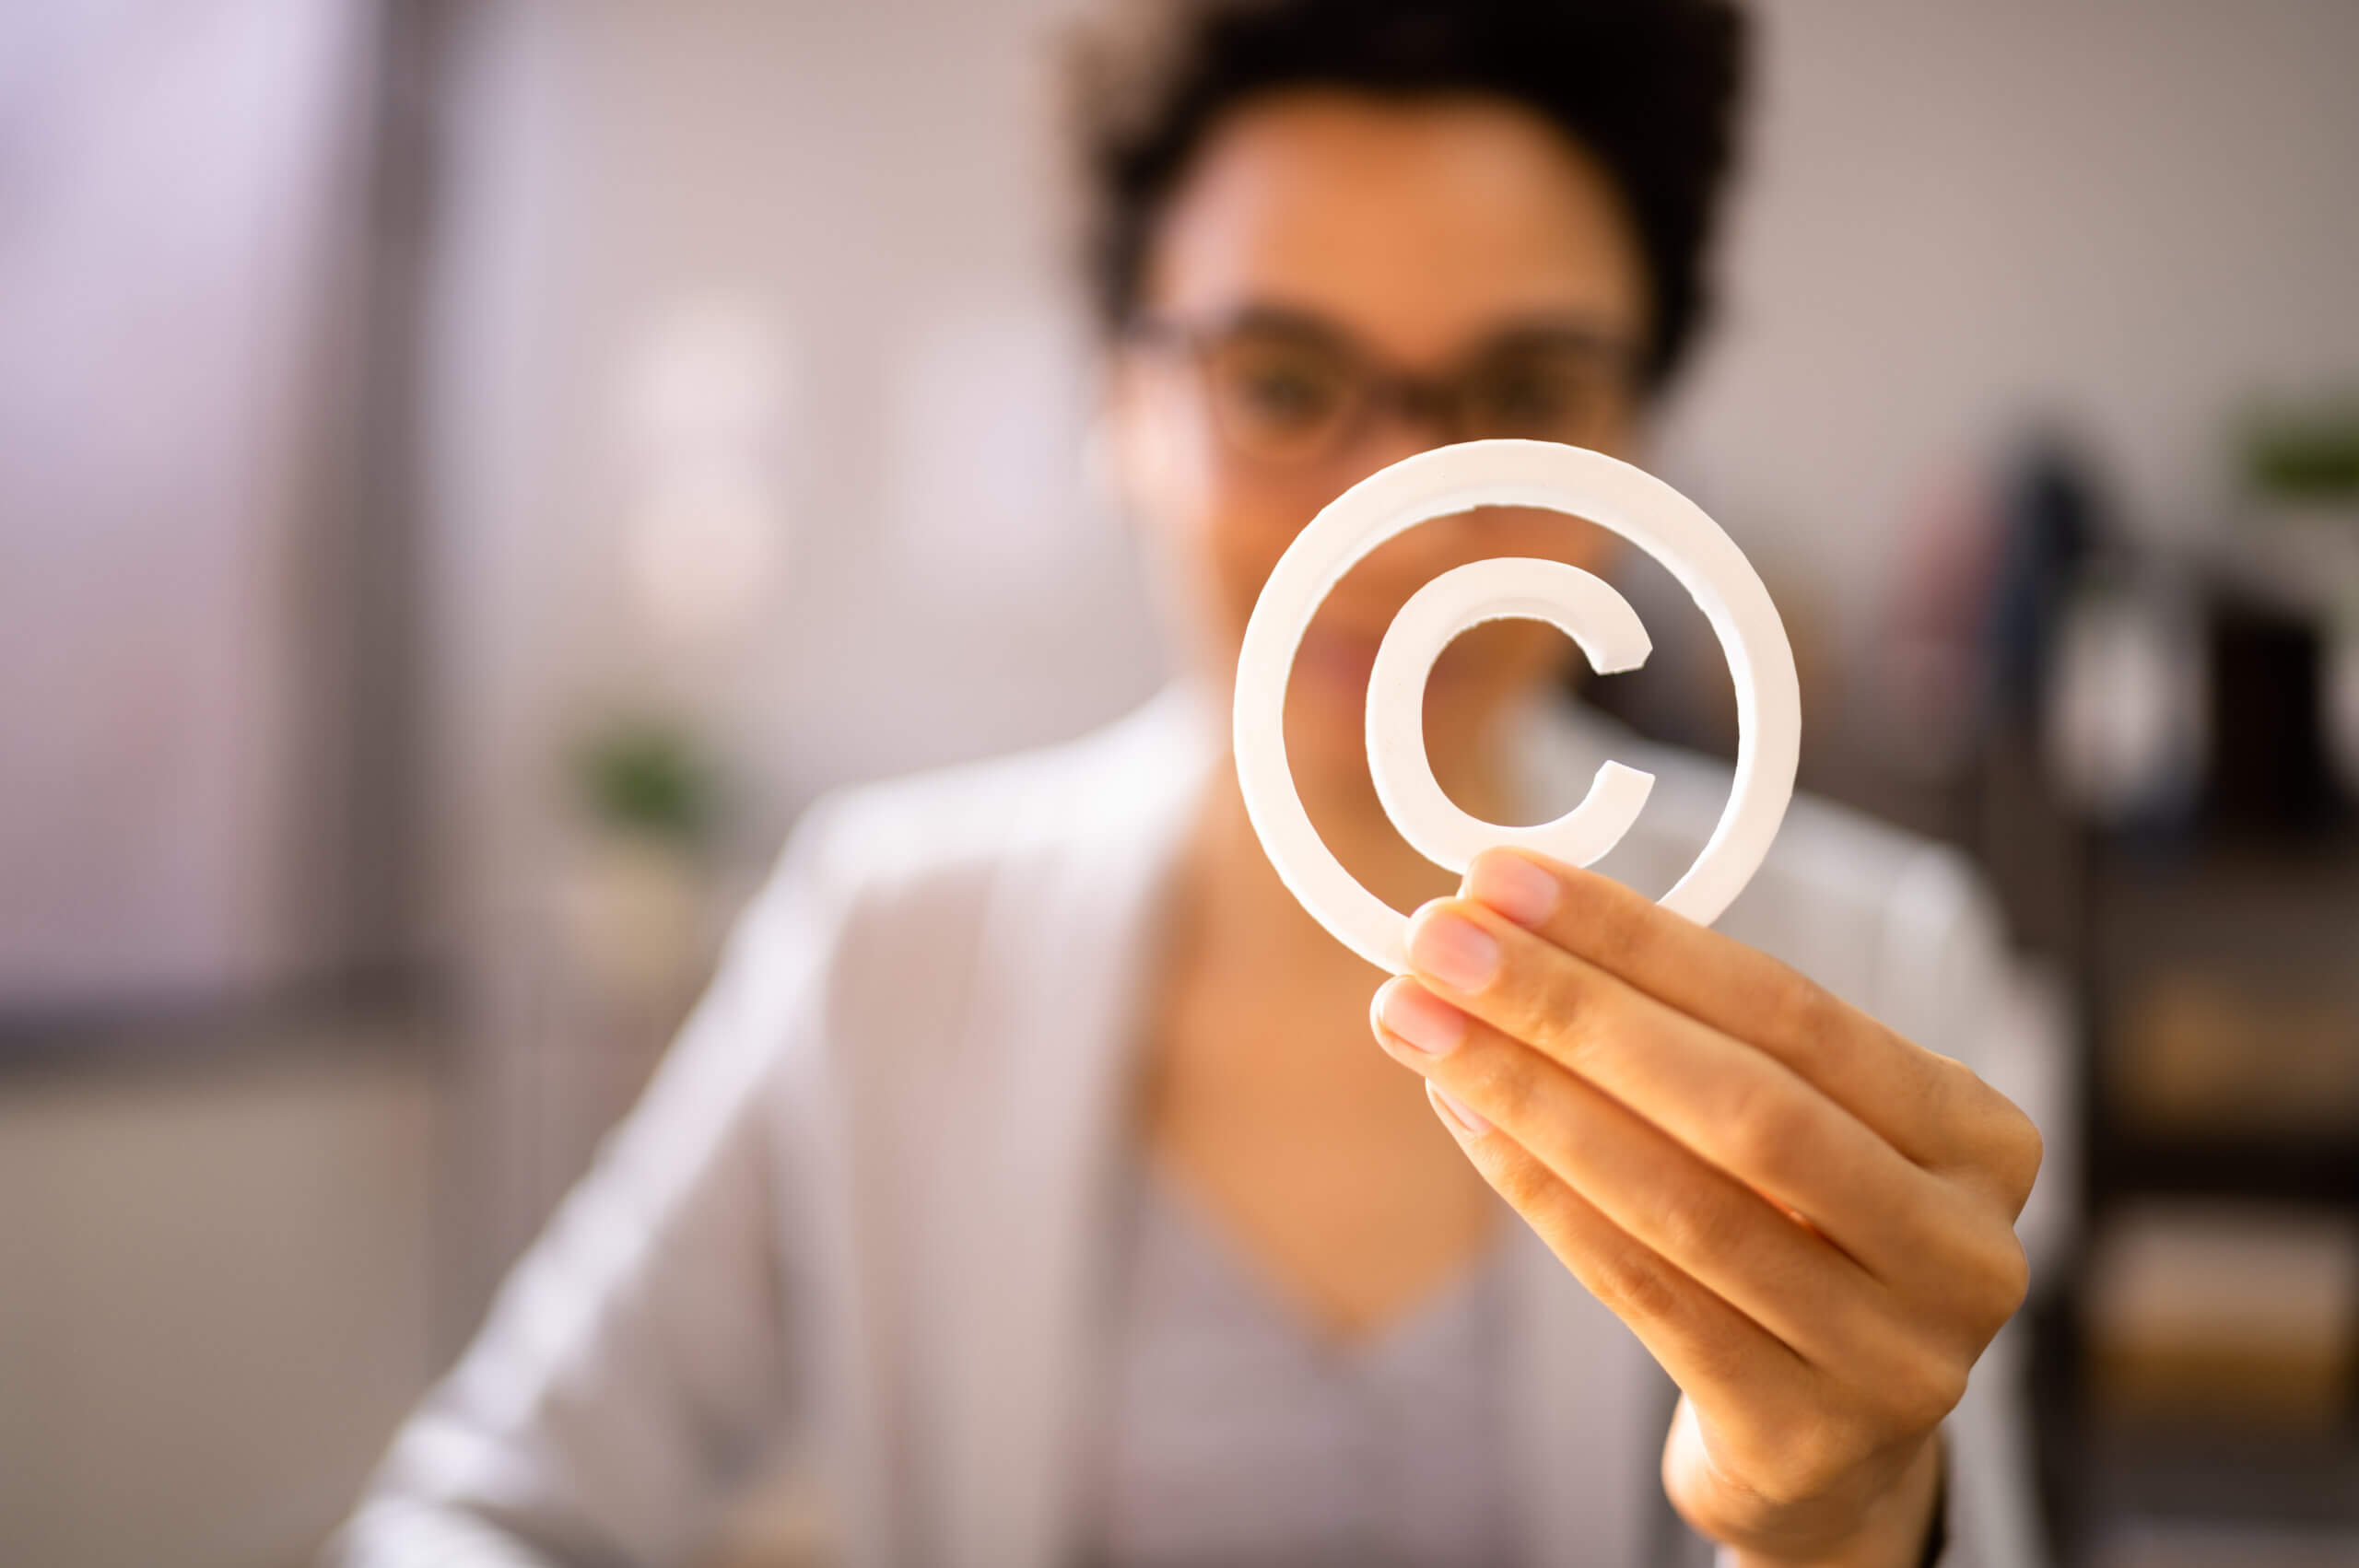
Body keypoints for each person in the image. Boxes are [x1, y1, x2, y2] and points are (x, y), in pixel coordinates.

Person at [336, 2, 2046, 1563]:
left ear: (1637, 437)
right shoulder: (890, 939)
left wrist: (1853, 1519)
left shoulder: (1866, 964)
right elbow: (485, 1506)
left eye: (1520, 391)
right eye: (1284, 381)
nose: (1404, 507)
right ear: (1120, 405)